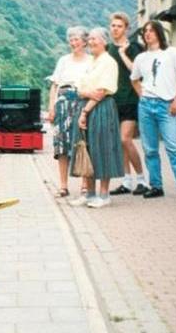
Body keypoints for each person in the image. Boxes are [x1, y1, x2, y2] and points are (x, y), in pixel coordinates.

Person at [130, 20, 176, 201]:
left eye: (151, 30)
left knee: (175, 148)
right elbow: (134, 79)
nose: (147, 34)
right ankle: (156, 186)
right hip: (146, 105)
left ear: (159, 33)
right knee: (150, 149)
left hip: (166, 105)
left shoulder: (172, 53)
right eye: (145, 31)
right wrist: (142, 95)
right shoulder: (140, 58)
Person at [69, 27, 123, 208]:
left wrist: (85, 111)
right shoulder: (92, 61)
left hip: (101, 108)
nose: (91, 42)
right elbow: (80, 89)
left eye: (95, 39)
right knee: (87, 148)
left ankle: (104, 195)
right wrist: (86, 96)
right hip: (87, 106)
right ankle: (89, 193)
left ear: (104, 42)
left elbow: (100, 92)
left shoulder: (108, 62)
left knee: (103, 147)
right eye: (89, 39)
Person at [106, 12, 147, 196]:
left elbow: (137, 71)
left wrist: (123, 53)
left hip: (131, 99)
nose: (115, 29)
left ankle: (141, 179)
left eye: (119, 26)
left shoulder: (134, 47)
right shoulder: (107, 49)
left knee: (125, 139)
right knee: (120, 143)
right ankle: (126, 181)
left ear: (126, 28)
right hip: (113, 101)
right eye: (113, 25)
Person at [48, 26, 92, 198]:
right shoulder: (64, 60)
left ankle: (84, 184)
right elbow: (54, 84)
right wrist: (51, 106)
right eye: (71, 40)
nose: (74, 43)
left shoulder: (91, 60)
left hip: (82, 101)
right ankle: (63, 185)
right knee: (61, 145)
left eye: (77, 40)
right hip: (63, 103)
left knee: (82, 142)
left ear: (84, 42)